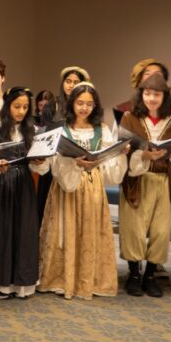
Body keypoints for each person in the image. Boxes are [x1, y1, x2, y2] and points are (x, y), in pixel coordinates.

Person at [38, 82, 128, 300]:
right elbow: (54, 159)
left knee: (89, 230)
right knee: (65, 229)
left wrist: (118, 153)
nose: (84, 108)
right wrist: (72, 163)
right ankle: (62, 278)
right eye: (80, 103)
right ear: (72, 104)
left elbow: (108, 158)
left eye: (89, 104)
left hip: (92, 185)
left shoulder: (102, 130)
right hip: (66, 187)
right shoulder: (62, 128)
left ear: (95, 105)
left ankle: (88, 278)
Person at [117, 73, 171, 298]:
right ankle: (134, 274)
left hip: (163, 180)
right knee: (134, 228)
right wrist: (142, 155)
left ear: (165, 96)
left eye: (157, 94)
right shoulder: (129, 118)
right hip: (138, 179)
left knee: (160, 230)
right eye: (147, 93)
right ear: (141, 95)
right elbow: (123, 150)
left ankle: (150, 275)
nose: (152, 98)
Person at [0, 87, 48, 299]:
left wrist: (40, 161)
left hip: (24, 184)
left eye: (25, 107)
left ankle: (21, 282)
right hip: (1, 185)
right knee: (0, 230)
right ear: (7, 106)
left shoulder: (32, 130)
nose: (21, 111)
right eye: (17, 106)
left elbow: (40, 167)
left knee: (23, 230)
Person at [37, 66, 91, 225]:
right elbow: (44, 134)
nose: (71, 85)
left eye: (76, 82)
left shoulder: (86, 107)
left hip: (77, 164)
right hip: (53, 165)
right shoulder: (53, 105)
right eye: (68, 81)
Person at [113, 58, 171, 132]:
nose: (153, 77)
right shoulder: (124, 110)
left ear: (164, 80)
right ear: (139, 80)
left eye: (158, 74)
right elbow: (116, 141)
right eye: (147, 74)